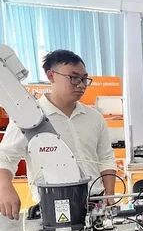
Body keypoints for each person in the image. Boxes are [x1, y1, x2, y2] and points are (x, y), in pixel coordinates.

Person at [0, 50, 117, 220]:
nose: (81, 84)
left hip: (95, 205)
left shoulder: (94, 118)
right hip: (53, 207)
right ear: (51, 76)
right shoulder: (30, 117)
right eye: (74, 77)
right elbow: (5, 157)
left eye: (85, 79)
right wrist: (4, 187)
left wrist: (110, 195)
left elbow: (106, 157)